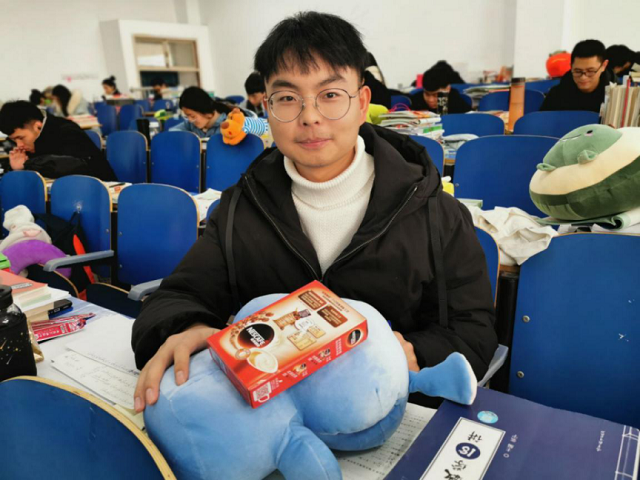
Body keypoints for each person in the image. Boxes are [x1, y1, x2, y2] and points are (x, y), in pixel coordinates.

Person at [132, 11, 497, 415]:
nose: (309, 116)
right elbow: (175, 298)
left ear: (362, 103)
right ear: (266, 109)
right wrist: (188, 328)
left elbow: (474, 332)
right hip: (271, 419)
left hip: (390, 414)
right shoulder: (241, 209)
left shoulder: (433, 212)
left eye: (330, 94)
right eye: (288, 98)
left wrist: (415, 352)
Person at [0, 101, 116, 180]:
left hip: (100, 191)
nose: (19, 145)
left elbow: (73, 167)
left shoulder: (67, 132)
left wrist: (28, 164)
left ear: (38, 126)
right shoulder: (35, 139)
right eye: (14, 140)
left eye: (21, 138)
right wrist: (18, 169)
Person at [541, 40, 614, 112]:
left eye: (590, 71)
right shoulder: (556, 95)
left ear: (603, 66)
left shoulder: (616, 96)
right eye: (577, 71)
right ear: (571, 66)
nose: (583, 77)